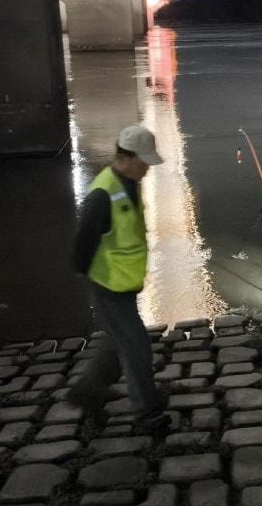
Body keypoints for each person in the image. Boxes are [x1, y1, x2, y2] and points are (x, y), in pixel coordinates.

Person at [69, 125, 170, 434]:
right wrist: (85, 274)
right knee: (136, 346)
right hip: (108, 286)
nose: (147, 170)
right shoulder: (103, 194)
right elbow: (82, 242)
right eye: (144, 163)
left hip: (123, 284)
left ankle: (88, 393)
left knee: (117, 343)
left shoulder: (128, 182)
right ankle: (146, 414)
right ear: (125, 157)